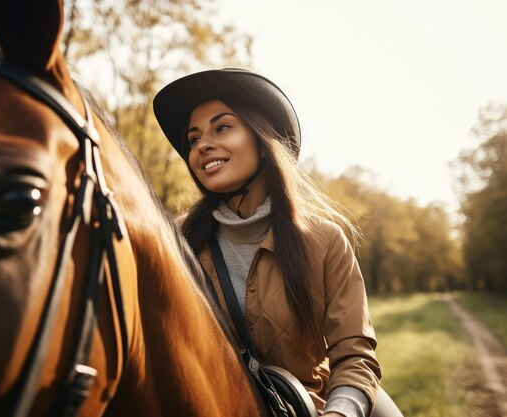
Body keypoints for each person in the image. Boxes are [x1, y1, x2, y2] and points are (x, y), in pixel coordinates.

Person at [153, 69, 400, 417]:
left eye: (221, 127)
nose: (202, 145)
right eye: (193, 139)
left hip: (310, 405)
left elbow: (354, 352)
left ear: (263, 139)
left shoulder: (325, 240)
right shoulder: (175, 241)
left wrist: (340, 412)